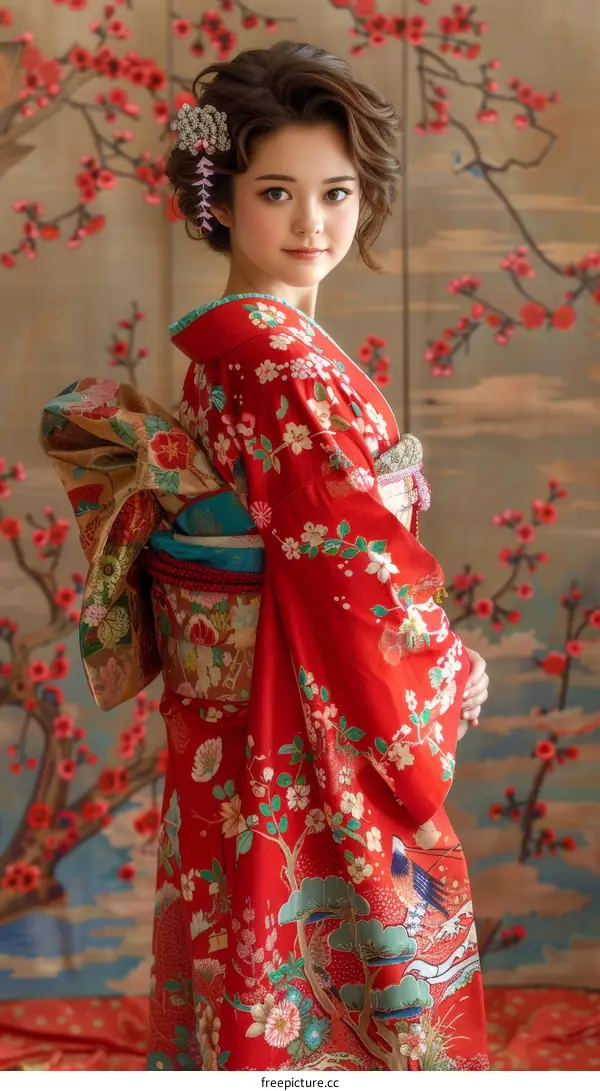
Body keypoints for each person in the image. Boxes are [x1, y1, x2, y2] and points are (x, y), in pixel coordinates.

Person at [40, 40, 490, 1072]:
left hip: (240, 716)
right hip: (307, 710)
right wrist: (448, 664)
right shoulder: (278, 358)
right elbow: (350, 561)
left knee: (246, 937)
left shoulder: (237, 348)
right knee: (331, 958)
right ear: (221, 199)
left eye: (337, 192)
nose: (312, 223)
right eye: (277, 190)